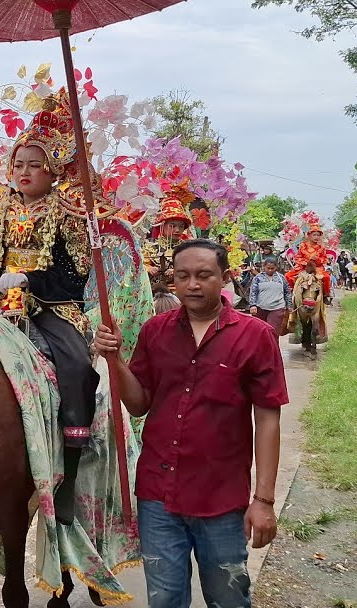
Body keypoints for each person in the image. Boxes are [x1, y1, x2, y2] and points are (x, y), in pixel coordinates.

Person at [95, 240, 288, 608]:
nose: (192, 285)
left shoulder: (256, 336)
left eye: (203, 275)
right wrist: (115, 358)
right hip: (157, 495)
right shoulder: (156, 331)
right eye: (182, 276)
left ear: (225, 278)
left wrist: (263, 499)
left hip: (221, 498)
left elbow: (267, 419)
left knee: (227, 597)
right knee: (165, 598)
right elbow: (138, 405)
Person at [0, 90, 101, 524]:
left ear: (53, 171)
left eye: (34, 165)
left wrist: (29, 279)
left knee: (77, 363)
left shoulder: (67, 213)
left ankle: (75, 444)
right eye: (18, 164)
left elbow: (76, 271)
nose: (23, 172)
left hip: (50, 305)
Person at [143, 186, 195, 298]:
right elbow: (141, 266)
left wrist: (178, 270)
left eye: (181, 226)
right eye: (172, 226)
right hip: (155, 294)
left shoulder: (187, 247)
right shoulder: (150, 245)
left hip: (182, 293)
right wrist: (149, 268)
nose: (177, 230)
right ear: (163, 225)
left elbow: (195, 268)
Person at [285, 224, 332, 300]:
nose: (316, 237)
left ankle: (326, 295)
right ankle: (290, 294)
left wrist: (316, 260)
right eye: (314, 235)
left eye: (318, 235)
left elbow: (324, 259)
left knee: (326, 277)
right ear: (309, 235)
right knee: (288, 276)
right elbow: (298, 257)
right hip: (303, 268)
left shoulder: (321, 247)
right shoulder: (303, 245)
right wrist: (307, 262)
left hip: (317, 268)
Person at [248, 258, 292, 333]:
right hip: (261, 308)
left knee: (273, 331)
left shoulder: (281, 278)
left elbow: (287, 292)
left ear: (276, 268)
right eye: (268, 268)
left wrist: (289, 306)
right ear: (264, 267)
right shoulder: (258, 278)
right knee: (260, 331)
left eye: (272, 268)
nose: (270, 270)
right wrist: (252, 305)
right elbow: (253, 292)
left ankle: (273, 344)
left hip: (277, 308)